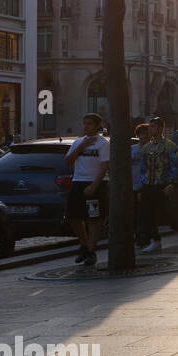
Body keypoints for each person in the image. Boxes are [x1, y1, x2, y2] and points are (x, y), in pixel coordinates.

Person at [64, 113, 109, 266]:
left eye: (89, 124)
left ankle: (91, 251)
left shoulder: (103, 143)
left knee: (94, 219)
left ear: (97, 125)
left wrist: (94, 185)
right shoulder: (78, 142)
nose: (86, 126)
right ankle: (84, 244)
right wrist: (81, 147)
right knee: (73, 217)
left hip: (96, 184)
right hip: (78, 182)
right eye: (84, 123)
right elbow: (68, 161)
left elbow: (104, 166)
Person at [138, 117, 178, 253]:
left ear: (161, 128)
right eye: (150, 127)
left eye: (153, 127)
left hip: (163, 184)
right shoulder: (146, 147)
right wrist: (141, 186)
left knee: (165, 212)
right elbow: (143, 168)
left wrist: (172, 183)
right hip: (149, 185)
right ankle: (155, 240)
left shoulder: (169, 146)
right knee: (148, 214)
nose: (150, 129)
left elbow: (174, 166)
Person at [130, 122, 150, 246]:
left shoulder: (153, 149)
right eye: (142, 134)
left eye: (146, 134)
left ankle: (144, 235)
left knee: (145, 212)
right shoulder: (133, 150)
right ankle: (138, 234)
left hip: (147, 185)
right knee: (135, 212)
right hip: (133, 184)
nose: (144, 136)